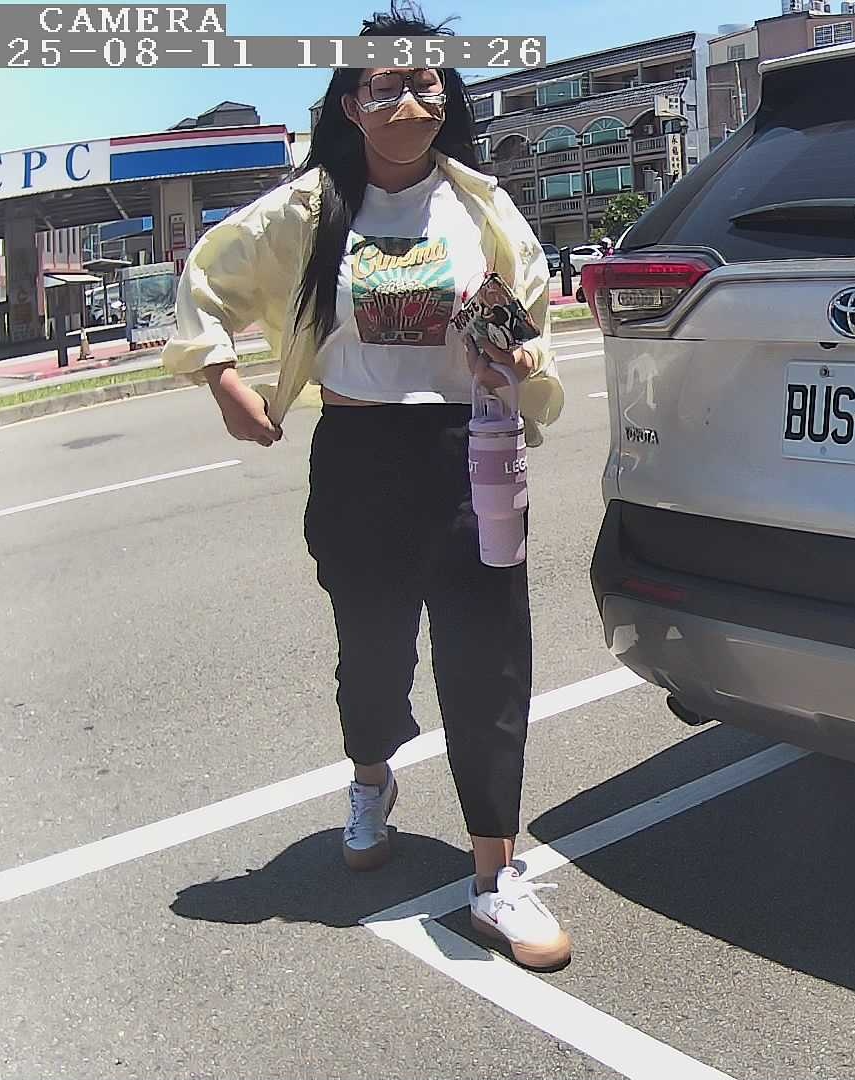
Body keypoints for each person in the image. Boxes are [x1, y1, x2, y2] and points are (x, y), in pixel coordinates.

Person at [160, 2, 570, 970]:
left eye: (424, 81)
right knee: (372, 652)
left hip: (470, 451)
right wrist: (221, 379)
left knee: (488, 657)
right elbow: (205, 281)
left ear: (447, 97)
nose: (407, 99)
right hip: (356, 455)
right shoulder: (306, 210)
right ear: (350, 102)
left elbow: (530, 320)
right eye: (384, 82)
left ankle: (494, 873)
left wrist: (514, 349)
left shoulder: (481, 208)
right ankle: (370, 777)